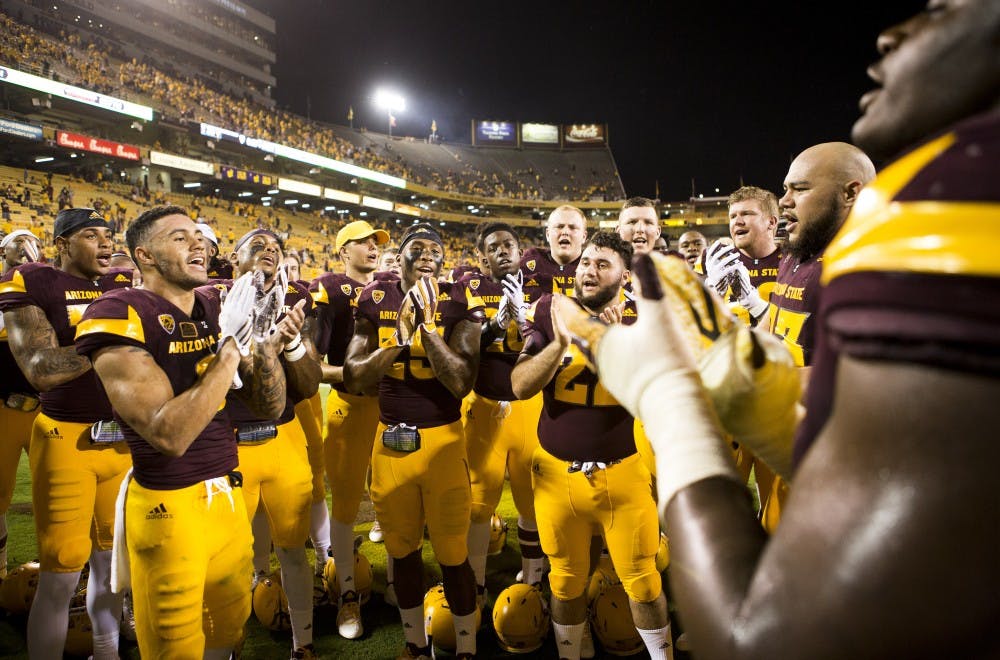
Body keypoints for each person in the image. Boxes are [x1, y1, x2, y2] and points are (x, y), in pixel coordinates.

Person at [556, 2, 1000, 657]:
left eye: (942, 8)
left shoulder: (964, 191)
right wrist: (752, 364)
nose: (892, 34)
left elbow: (769, 639)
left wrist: (669, 395)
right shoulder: (814, 253)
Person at [74, 206, 288, 658]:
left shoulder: (217, 304)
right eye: (179, 237)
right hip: (168, 506)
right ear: (144, 255)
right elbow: (168, 435)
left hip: (229, 496)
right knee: (174, 646)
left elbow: (269, 406)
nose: (198, 244)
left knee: (230, 631)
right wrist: (229, 350)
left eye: (198, 235)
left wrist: (267, 348)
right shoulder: (119, 311)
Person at [511, 231, 672, 660]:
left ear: (624, 274)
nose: (588, 271)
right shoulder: (549, 309)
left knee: (643, 579)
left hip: (623, 470)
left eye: (602, 265)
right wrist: (562, 344)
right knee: (564, 579)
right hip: (555, 475)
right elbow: (520, 384)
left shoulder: (646, 315)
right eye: (585, 262)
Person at [344, 223, 483, 660]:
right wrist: (397, 341)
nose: (427, 255)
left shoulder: (458, 300)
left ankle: (465, 648)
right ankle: (414, 646)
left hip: (442, 441)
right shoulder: (376, 298)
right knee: (402, 554)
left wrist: (426, 329)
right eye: (416, 248)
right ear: (399, 258)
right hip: (390, 446)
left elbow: (461, 381)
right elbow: (355, 376)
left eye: (436, 250)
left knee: (453, 554)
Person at [0, 209, 133, 659]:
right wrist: (109, 342)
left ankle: (107, 650)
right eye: (91, 235)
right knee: (60, 573)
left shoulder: (121, 286)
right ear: (61, 244)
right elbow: (40, 369)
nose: (105, 243)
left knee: (112, 567)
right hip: (66, 441)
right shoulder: (33, 280)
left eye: (108, 235)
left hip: (120, 441)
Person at [224, 228, 322, 659]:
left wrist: (294, 341)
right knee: (225, 559)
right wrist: (232, 337)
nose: (269, 252)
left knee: (293, 551)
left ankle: (303, 645)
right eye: (257, 246)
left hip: (282, 440)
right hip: (228, 445)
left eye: (276, 249)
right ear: (234, 259)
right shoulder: (211, 302)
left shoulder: (291, 306)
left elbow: (308, 385)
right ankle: (224, 645)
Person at [457, 222, 547, 605]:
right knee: (479, 502)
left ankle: (533, 577)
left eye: (509, 244)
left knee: (532, 500)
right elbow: (463, 348)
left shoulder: (540, 291)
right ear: (482, 258)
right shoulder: (469, 290)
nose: (503, 251)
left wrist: (525, 319)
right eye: (493, 247)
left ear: (519, 249)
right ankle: (475, 583)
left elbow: (548, 346)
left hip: (530, 408)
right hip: (485, 407)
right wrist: (495, 323)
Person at [310, 219, 390, 639]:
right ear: (344, 250)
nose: (372, 249)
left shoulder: (393, 287)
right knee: (343, 504)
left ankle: (397, 582)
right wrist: (354, 373)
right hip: (351, 406)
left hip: (396, 408)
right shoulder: (330, 289)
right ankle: (346, 595)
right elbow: (311, 365)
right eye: (363, 243)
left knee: (395, 496)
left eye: (376, 243)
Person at [0, 229, 41, 578]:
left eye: (35, 243)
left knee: (56, 493)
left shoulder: (46, 289)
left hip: (47, 411)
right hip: (6, 409)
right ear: (3, 249)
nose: (28, 248)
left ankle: (64, 570)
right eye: (20, 242)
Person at [521, 205, 588, 303]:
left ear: (584, 236)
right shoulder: (530, 261)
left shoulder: (595, 268)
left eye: (572, 227)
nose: (565, 232)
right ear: (547, 234)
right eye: (559, 227)